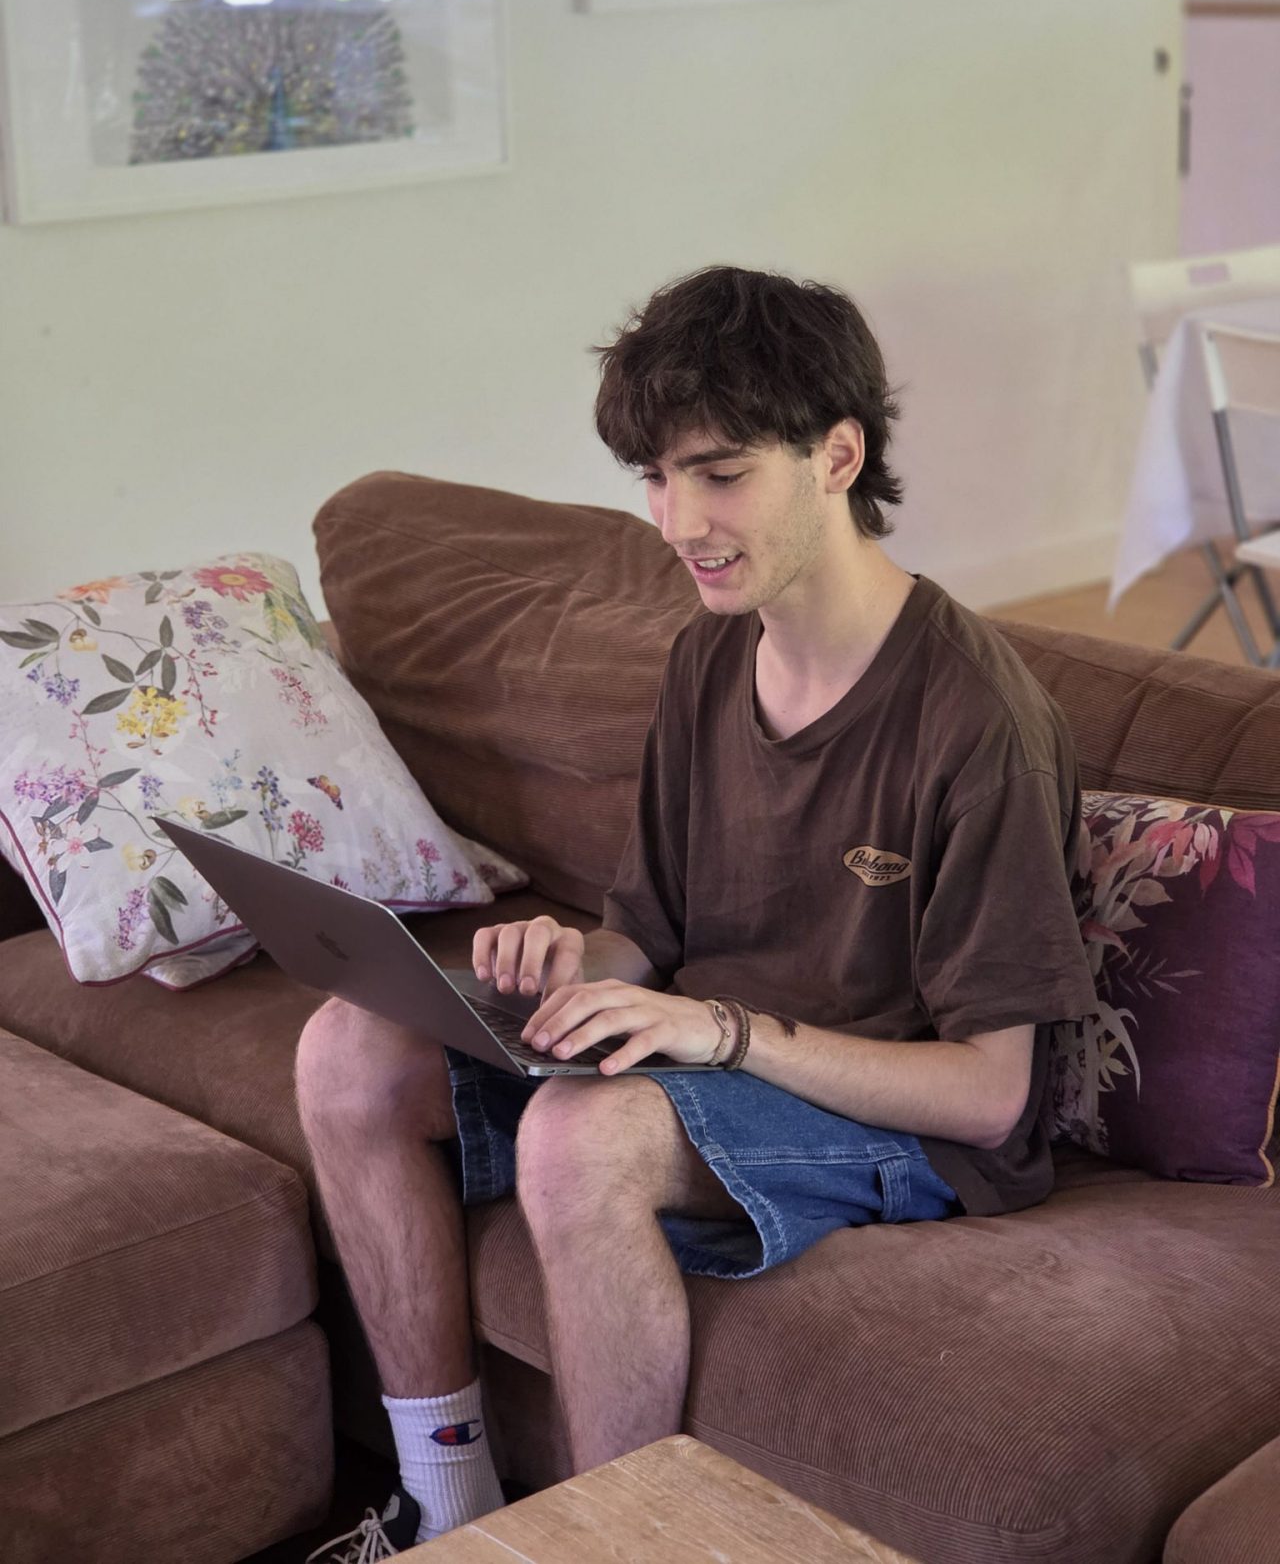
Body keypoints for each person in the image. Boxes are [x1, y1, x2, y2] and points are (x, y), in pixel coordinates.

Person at [297, 265, 1097, 1560]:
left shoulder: (975, 720)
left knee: (580, 1136)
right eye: (656, 479)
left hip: (895, 1124)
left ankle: (611, 1548)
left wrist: (719, 1032)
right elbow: (646, 934)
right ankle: (444, 1513)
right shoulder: (714, 649)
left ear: (838, 456)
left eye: (719, 474)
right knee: (350, 1044)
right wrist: (574, 960)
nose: (679, 522)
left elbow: (993, 1096)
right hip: (707, 1063)